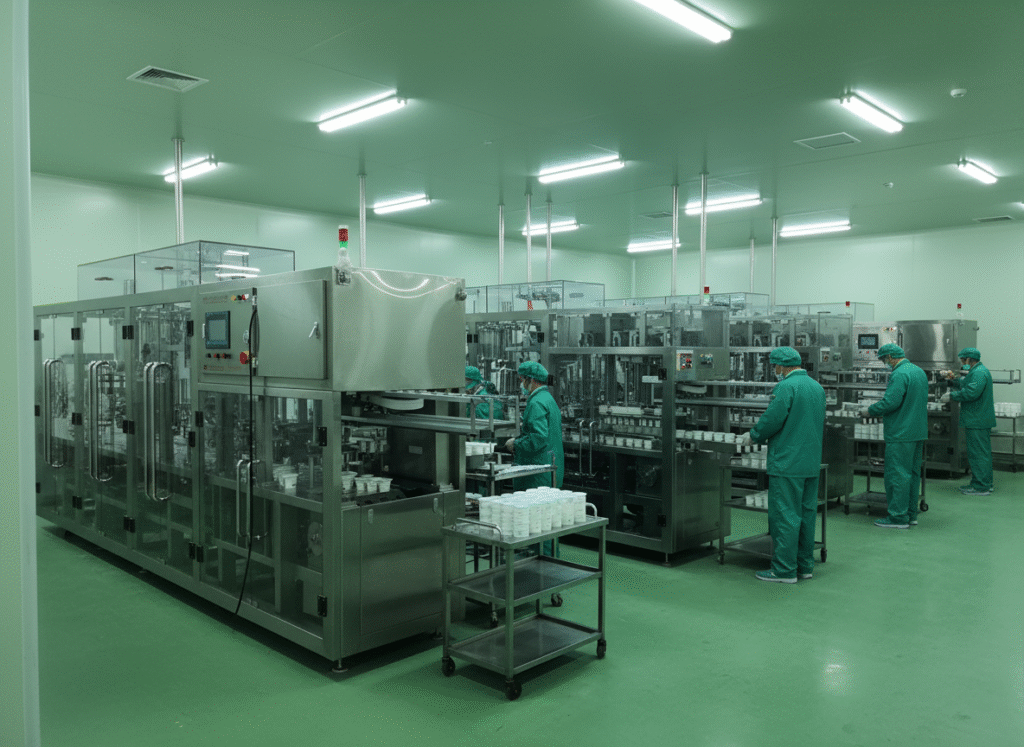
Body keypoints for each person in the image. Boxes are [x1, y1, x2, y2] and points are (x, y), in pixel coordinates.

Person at [739, 346, 825, 583]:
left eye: (774, 366)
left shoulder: (786, 387)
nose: (774, 370)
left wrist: (754, 435)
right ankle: (804, 566)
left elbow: (773, 418)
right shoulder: (816, 387)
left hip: (788, 461)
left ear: (781, 365)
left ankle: (784, 570)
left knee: (785, 516)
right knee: (806, 515)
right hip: (810, 461)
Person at [861, 343, 928, 528]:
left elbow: (891, 402)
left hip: (901, 432)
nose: (885, 363)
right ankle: (910, 514)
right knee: (912, 474)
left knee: (897, 475)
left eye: (884, 360)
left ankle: (897, 518)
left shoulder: (899, 374)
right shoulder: (918, 371)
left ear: (891, 357)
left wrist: (870, 410)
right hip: (917, 431)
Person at [940, 347, 996, 495]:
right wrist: (952, 381)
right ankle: (983, 483)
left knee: (979, 454)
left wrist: (952, 396)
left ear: (970, 359)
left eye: (963, 360)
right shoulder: (976, 371)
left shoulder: (979, 372)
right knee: (980, 453)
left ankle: (981, 487)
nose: (962, 363)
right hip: (977, 419)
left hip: (978, 420)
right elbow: (966, 383)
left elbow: (971, 393)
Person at [504, 361, 564, 491]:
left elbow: (538, 438)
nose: (521, 384)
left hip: (537, 472)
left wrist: (515, 444)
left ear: (531, 379)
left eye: (522, 379)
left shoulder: (536, 403)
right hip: (550, 466)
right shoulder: (548, 398)